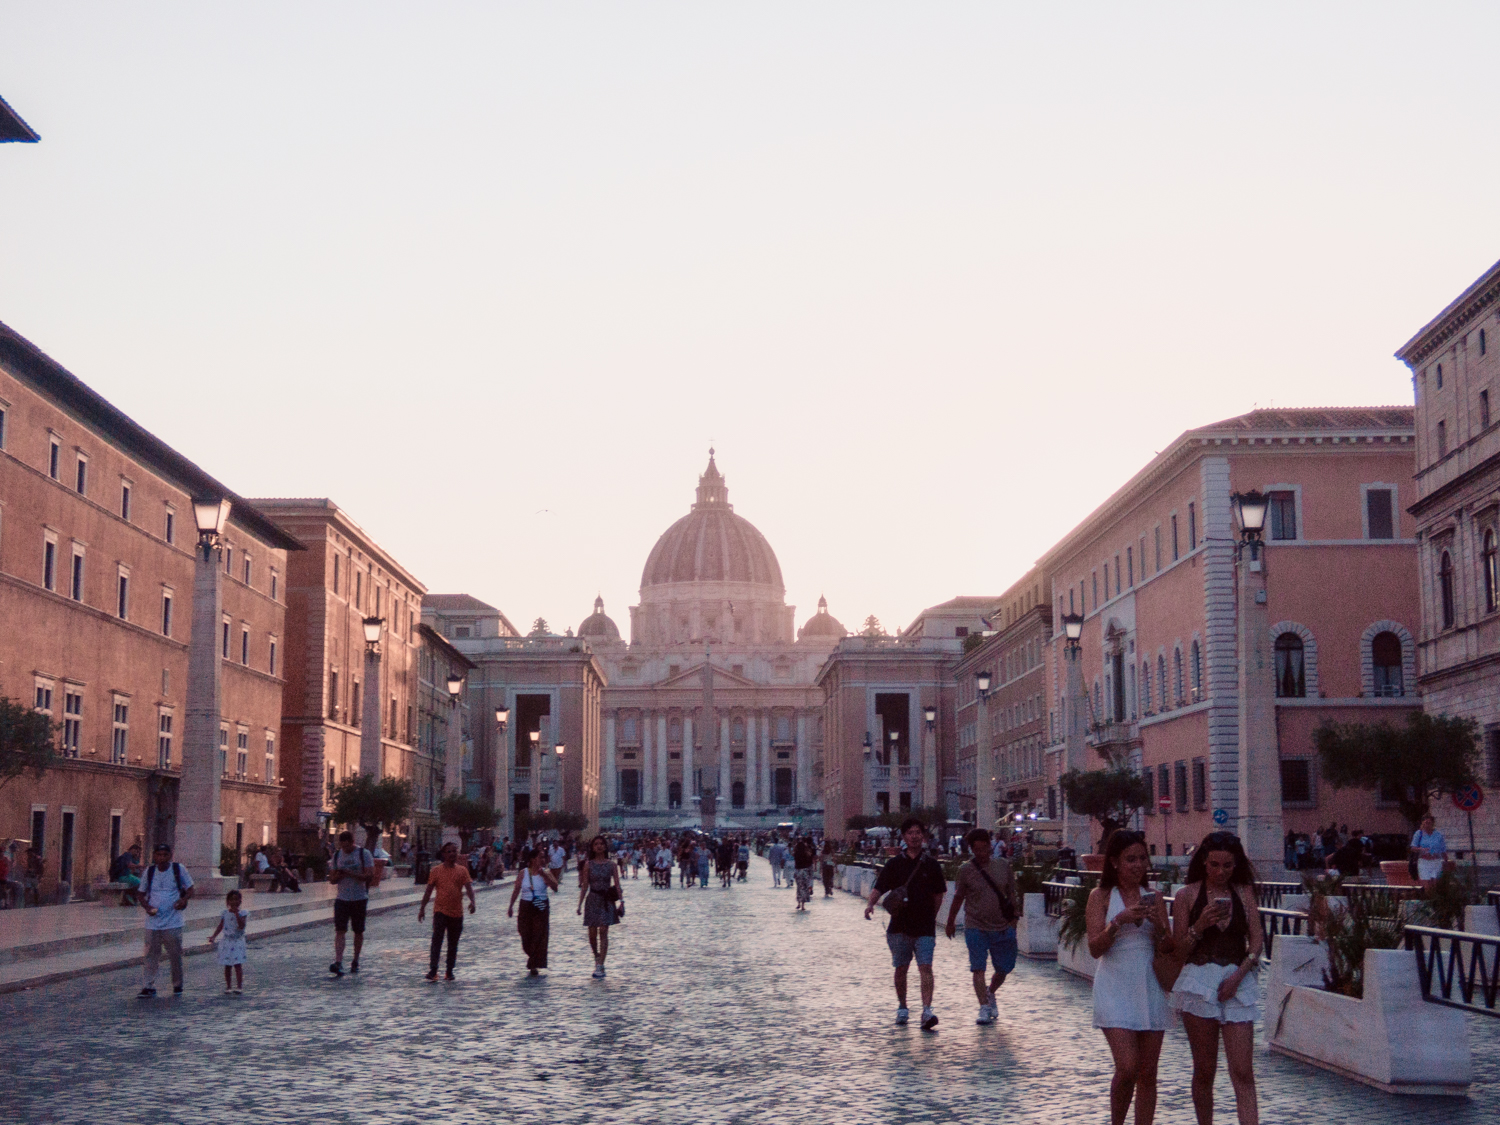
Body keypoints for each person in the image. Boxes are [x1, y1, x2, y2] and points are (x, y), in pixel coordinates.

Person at [1170, 831, 1263, 1125]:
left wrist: (1240, 974)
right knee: (1204, 1071)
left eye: (1227, 865)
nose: (1221, 872)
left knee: (1243, 1072)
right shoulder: (1186, 896)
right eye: (1214, 865)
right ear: (1203, 862)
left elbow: (1257, 941)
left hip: (1238, 980)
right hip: (1198, 982)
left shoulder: (1244, 893)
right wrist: (1199, 926)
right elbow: (1178, 950)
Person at [1085, 830, 1173, 1125]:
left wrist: (1159, 926)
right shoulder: (1100, 897)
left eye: (1142, 858)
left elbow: (1167, 947)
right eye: (1130, 859)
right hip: (1114, 985)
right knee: (1127, 1067)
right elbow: (1095, 949)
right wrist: (1117, 922)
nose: (1138, 865)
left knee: (1148, 1073)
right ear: (1114, 862)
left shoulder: (1154, 897)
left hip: (1149, 984)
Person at [864, 818, 947, 1031]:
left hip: (925, 927)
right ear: (904, 837)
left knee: (926, 967)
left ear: (923, 836)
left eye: (918, 832)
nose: (914, 836)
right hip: (899, 926)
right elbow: (879, 887)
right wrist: (870, 904)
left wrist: (932, 916)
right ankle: (902, 1006)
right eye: (910, 833)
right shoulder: (894, 864)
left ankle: (927, 1010)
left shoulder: (931, 865)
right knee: (901, 968)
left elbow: (939, 894)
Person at [944, 828, 1019, 1026]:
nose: (981, 853)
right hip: (975, 926)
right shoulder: (966, 870)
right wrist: (950, 922)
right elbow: (958, 897)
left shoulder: (1003, 866)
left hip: (1002, 926)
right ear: (971, 849)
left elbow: (1012, 893)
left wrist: (1014, 920)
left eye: (984, 848)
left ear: (990, 846)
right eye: (976, 849)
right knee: (978, 968)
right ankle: (983, 1006)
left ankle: (990, 992)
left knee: (1004, 968)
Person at [137, 843, 194, 997]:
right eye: (159, 855)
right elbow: (141, 894)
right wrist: (147, 907)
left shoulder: (178, 869)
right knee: (150, 955)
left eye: (165, 855)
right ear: (154, 856)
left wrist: (183, 900)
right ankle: (148, 985)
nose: (162, 858)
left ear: (170, 856)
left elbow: (190, 889)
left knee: (175, 955)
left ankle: (177, 984)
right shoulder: (149, 872)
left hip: (173, 921)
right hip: (153, 923)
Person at [418, 841, 476, 981]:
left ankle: (449, 971)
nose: (452, 854)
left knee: (453, 943)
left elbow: (469, 888)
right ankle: (433, 970)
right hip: (440, 911)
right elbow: (428, 891)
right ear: (443, 854)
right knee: (437, 941)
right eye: (449, 851)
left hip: (457, 913)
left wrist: (473, 902)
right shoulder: (436, 871)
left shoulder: (462, 870)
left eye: (454, 851)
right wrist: (422, 908)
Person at [328, 830, 374, 977]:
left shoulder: (363, 854)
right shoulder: (337, 855)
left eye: (347, 846)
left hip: (359, 898)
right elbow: (332, 879)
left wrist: (350, 873)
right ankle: (338, 961)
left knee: (358, 931)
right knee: (340, 930)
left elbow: (369, 875)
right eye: (342, 846)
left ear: (352, 843)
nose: (345, 849)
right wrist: (339, 875)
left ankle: (355, 960)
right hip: (342, 898)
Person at [578, 835, 623, 979]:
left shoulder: (611, 865)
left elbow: (617, 884)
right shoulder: (588, 865)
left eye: (601, 844)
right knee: (592, 934)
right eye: (596, 844)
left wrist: (622, 902)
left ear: (605, 846)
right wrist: (579, 904)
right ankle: (596, 955)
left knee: (603, 931)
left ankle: (601, 965)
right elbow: (585, 885)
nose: (599, 846)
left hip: (606, 900)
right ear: (592, 847)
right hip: (592, 899)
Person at [509, 847, 558, 976]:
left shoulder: (546, 872)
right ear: (532, 859)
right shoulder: (523, 873)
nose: (543, 859)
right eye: (540, 857)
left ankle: (533, 963)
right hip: (526, 905)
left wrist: (545, 876)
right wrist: (511, 906)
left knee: (539, 934)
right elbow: (516, 890)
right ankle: (534, 956)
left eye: (544, 857)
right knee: (524, 932)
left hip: (541, 905)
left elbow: (555, 887)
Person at [207, 889, 248, 994]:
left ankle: (239, 986)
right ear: (228, 901)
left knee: (237, 964)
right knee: (227, 965)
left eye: (236, 899)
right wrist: (214, 936)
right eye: (232, 900)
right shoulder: (225, 913)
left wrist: (237, 914)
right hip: (227, 941)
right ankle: (228, 986)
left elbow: (241, 926)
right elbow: (221, 925)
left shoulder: (243, 913)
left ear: (240, 901)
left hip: (237, 941)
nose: (234, 902)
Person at [1411, 814, 1447, 888]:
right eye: (1425, 823)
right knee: (1427, 884)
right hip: (1424, 861)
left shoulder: (1438, 835)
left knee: (1435, 884)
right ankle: (1428, 894)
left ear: (1432, 823)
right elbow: (1413, 847)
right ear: (1422, 823)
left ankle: (1435, 895)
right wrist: (1421, 849)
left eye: (1429, 823)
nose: (1427, 825)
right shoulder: (1419, 834)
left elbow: (1443, 849)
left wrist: (1446, 861)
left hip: (1436, 861)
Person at [792, 836, 817, 910]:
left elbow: (792, 853)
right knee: (805, 888)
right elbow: (811, 859)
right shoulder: (806, 854)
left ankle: (798, 903)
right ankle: (803, 905)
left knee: (799, 888)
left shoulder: (796, 854)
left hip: (798, 872)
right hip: (805, 872)